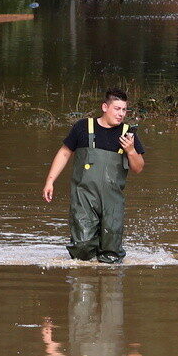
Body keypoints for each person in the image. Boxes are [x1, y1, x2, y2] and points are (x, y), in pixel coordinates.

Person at [42, 88, 145, 263]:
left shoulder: (128, 133)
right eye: (117, 109)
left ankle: (109, 282)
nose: (121, 114)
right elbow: (64, 153)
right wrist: (50, 181)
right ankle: (85, 282)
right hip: (84, 197)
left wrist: (131, 150)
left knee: (111, 253)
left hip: (112, 200)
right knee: (82, 248)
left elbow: (138, 168)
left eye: (124, 110)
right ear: (105, 107)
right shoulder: (83, 127)